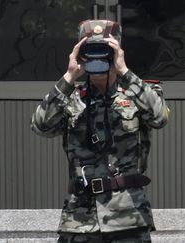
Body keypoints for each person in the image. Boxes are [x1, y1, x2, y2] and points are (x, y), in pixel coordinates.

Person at [31, 20, 170, 242]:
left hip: (128, 218)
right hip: (79, 220)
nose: (97, 58)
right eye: (90, 50)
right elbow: (40, 126)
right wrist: (69, 76)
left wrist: (123, 70)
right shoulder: (70, 96)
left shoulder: (137, 92)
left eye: (104, 50)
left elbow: (159, 117)